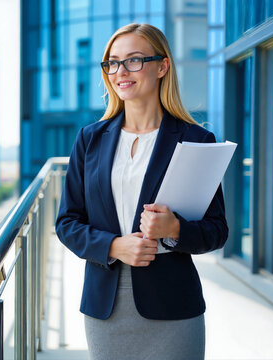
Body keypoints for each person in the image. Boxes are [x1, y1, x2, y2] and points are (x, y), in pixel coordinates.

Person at [55, 23, 228, 360]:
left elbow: (217, 231)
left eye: (133, 60)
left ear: (162, 66)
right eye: (113, 62)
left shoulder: (196, 141)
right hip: (106, 302)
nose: (121, 71)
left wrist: (175, 229)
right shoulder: (90, 139)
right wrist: (114, 246)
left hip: (173, 306)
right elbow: (67, 223)